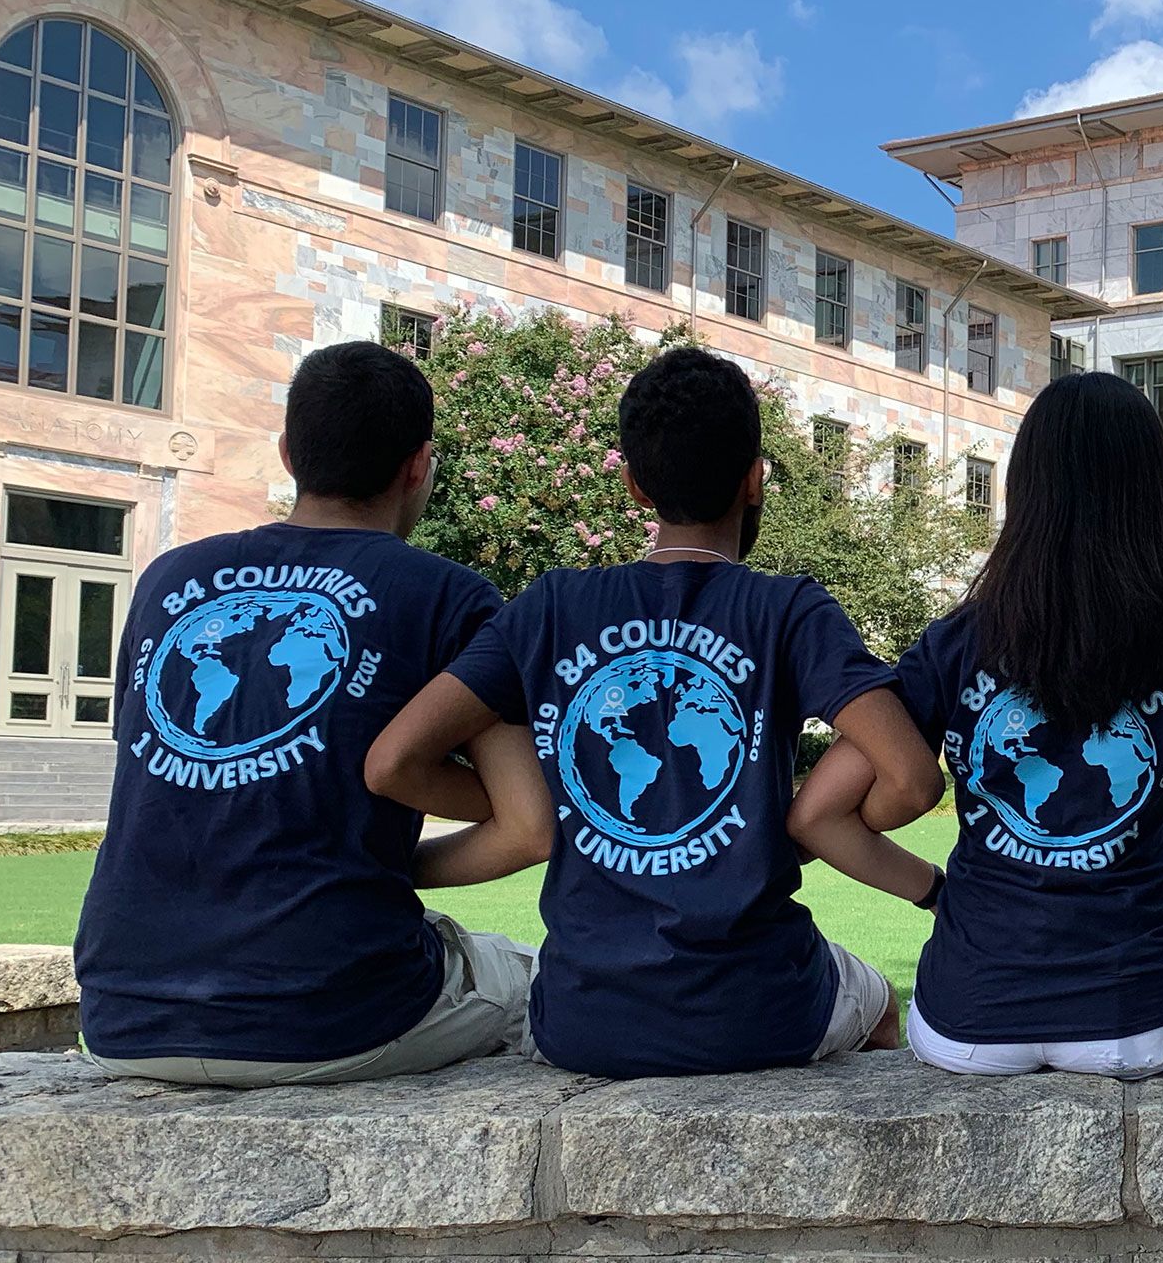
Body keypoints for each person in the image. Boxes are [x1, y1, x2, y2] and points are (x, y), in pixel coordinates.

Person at [367, 347, 943, 1079]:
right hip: (762, 1010)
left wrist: (414, 862)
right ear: (755, 478)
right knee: (879, 1002)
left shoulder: (548, 608)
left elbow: (394, 762)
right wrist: (789, 832)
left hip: (581, 1023)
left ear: (635, 486)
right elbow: (912, 779)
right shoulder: (789, 611)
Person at [788, 372, 1163, 1079]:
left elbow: (818, 816)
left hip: (967, 1023)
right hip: (1135, 1023)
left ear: (1024, 491)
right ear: (1155, 495)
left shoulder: (955, 644)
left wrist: (939, 893)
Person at [75, 341, 537, 1086]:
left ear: (288, 453)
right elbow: (529, 826)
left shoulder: (167, 579)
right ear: (418, 465)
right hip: (331, 1012)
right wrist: (376, 870)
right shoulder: (449, 597)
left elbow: (146, 753)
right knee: (548, 979)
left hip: (122, 1014)